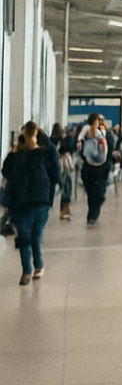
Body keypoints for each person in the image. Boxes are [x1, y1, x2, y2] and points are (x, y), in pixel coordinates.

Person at [2, 122, 61, 285]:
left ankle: (39, 264)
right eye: (23, 137)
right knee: (25, 238)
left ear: (36, 136)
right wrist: (13, 152)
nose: (25, 140)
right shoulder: (17, 156)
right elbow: (6, 172)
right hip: (20, 204)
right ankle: (27, 270)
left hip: (40, 202)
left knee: (35, 236)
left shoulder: (44, 154)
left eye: (28, 136)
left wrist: (46, 142)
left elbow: (55, 174)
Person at [77, 114, 111, 227]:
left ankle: (93, 214)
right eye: (94, 122)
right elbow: (79, 145)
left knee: (100, 193)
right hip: (89, 167)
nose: (95, 125)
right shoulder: (85, 132)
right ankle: (92, 214)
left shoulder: (104, 133)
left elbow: (110, 147)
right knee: (91, 192)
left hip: (102, 167)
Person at [51, 123, 76, 220]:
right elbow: (70, 148)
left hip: (59, 165)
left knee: (63, 184)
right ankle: (65, 208)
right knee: (67, 185)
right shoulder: (67, 139)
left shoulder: (53, 140)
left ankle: (64, 208)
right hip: (65, 165)